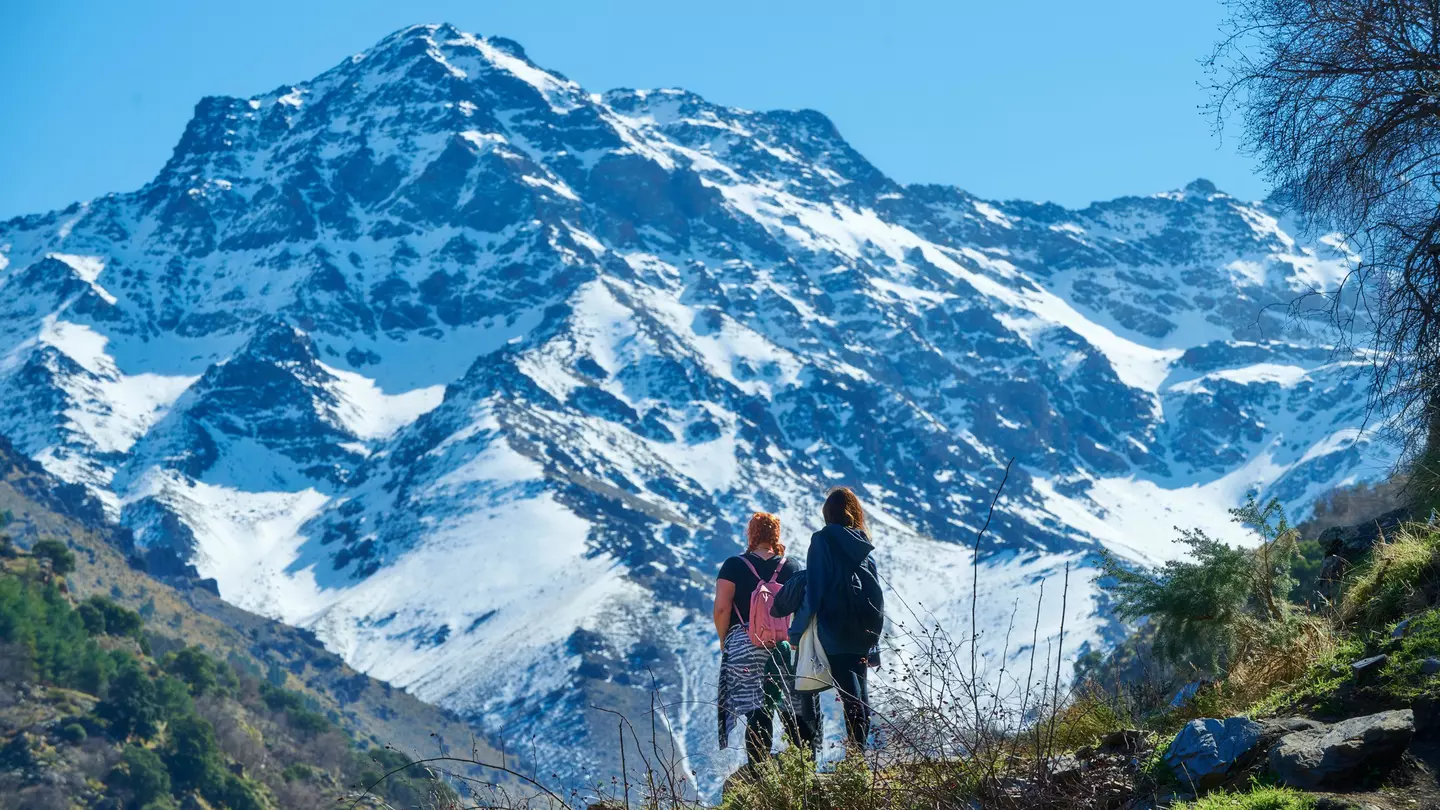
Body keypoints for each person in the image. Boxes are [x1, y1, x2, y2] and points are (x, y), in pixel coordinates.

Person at [714, 512, 804, 766]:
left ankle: (759, 769)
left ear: (751, 535)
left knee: (757, 708)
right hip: (783, 645)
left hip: (745, 644)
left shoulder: (733, 565)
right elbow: (801, 610)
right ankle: (799, 766)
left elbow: (722, 609)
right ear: (776, 535)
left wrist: (725, 641)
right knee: (786, 707)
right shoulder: (792, 567)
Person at [803, 487, 884, 750]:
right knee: (860, 693)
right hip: (863, 631)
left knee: (849, 693)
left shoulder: (821, 540)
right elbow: (874, 595)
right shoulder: (862, 544)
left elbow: (814, 590)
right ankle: (858, 753)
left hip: (834, 629)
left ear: (828, 514)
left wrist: (796, 631)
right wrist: (875, 646)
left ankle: (857, 757)